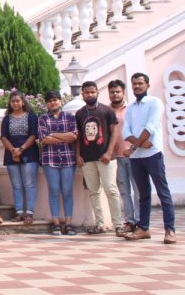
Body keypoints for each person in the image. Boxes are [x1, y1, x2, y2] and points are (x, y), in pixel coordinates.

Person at [122, 73, 176, 244]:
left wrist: (135, 144)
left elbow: (150, 127)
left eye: (140, 83)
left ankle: (170, 230)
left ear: (147, 85)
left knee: (163, 192)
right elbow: (126, 132)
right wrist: (138, 144)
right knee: (143, 194)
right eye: (134, 84)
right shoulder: (130, 108)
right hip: (137, 157)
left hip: (153, 155)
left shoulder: (155, 103)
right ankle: (143, 229)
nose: (137, 86)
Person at [75, 81, 123, 236]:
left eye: (92, 92)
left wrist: (109, 152)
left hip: (106, 158)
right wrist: (78, 155)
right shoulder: (80, 114)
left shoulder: (107, 111)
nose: (90, 95)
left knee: (111, 189)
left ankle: (118, 225)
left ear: (97, 92)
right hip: (87, 159)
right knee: (94, 192)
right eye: (86, 92)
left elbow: (114, 132)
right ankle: (100, 224)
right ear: (82, 94)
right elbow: (78, 137)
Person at [38, 90, 78, 236]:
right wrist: (64, 137)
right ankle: (55, 223)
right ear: (47, 104)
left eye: (55, 100)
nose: (53, 103)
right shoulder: (43, 119)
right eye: (49, 101)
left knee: (67, 191)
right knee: (54, 190)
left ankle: (68, 223)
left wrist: (53, 134)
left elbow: (73, 136)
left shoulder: (70, 117)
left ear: (60, 101)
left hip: (68, 159)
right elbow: (43, 139)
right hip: (50, 159)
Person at [0, 92, 39, 224]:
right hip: (11, 154)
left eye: (17, 101)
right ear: (10, 103)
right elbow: (3, 137)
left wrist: (21, 149)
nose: (15, 103)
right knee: (16, 185)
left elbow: (33, 135)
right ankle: (19, 212)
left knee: (29, 184)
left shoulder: (31, 116)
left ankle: (30, 213)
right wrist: (13, 151)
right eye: (13, 101)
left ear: (23, 102)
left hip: (29, 153)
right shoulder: (7, 119)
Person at [108, 79, 139, 234]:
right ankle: (130, 221)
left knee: (138, 190)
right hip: (116, 157)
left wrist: (134, 148)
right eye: (112, 92)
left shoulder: (132, 109)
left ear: (123, 92)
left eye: (117, 91)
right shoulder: (106, 112)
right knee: (124, 191)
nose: (115, 94)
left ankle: (140, 221)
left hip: (134, 155)